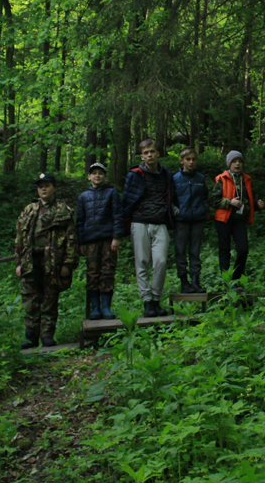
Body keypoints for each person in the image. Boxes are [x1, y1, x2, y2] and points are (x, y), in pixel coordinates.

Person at [15, 173, 78, 348]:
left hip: (52, 261)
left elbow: (71, 239)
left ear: (54, 188)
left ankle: (47, 334)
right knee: (30, 299)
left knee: (50, 297)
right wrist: (18, 262)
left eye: (47, 185)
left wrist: (67, 263)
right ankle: (30, 336)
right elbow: (19, 238)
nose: (43, 188)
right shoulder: (29, 210)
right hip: (30, 261)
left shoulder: (63, 210)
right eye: (40, 186)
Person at [122, 139, 177, 317]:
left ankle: (156, 298)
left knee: (160, 261)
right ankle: (147, 302)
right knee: (142, 261)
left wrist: (174, 210)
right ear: (141, 156)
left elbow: (171, 196)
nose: (149, 155)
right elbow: (127, 199)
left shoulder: (166, 174)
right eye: (146, 153)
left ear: (158, 153)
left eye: (152, 151)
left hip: (160, 222)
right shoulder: (135, 174)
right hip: (139, 222)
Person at [76, 163, 123, 320]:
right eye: (94, 173)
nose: (97, 176)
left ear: (105, 176)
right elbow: (80, 221)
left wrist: (116, 237)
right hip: (90, 240)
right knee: (92, 272)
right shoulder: (83, 197)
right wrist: (81, 242)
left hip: (108, 239)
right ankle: (95, 308)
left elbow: (117, 216)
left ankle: (106, 308)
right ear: (89, 176)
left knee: (107, 271)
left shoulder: (112, 193)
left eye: (100, 173)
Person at [210, 151, 265, 280]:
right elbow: (213, 201)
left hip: (239, 220)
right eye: (234, 161)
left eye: (240, 161)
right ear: (229, 163)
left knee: (243, 250)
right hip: (224, 219)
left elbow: (250, 199)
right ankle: (226, 281)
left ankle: (236, 279)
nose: (237, 164)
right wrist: (230, 202)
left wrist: (258, 204)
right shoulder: (221, 179)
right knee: (225, 250)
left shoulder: (246, 179)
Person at [172, 148, 207, 293]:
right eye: (188, 159)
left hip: (198, 219)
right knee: (180, 251)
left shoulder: (201, 178)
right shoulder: (174, 179)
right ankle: (184, 281)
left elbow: (205, 196)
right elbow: (170, 199)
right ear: (182, 161)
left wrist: (204, 209)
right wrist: (175, 210)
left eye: (193, 159)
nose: (191, 162)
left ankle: (195, 280)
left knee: (195, 251)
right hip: (181, 220)